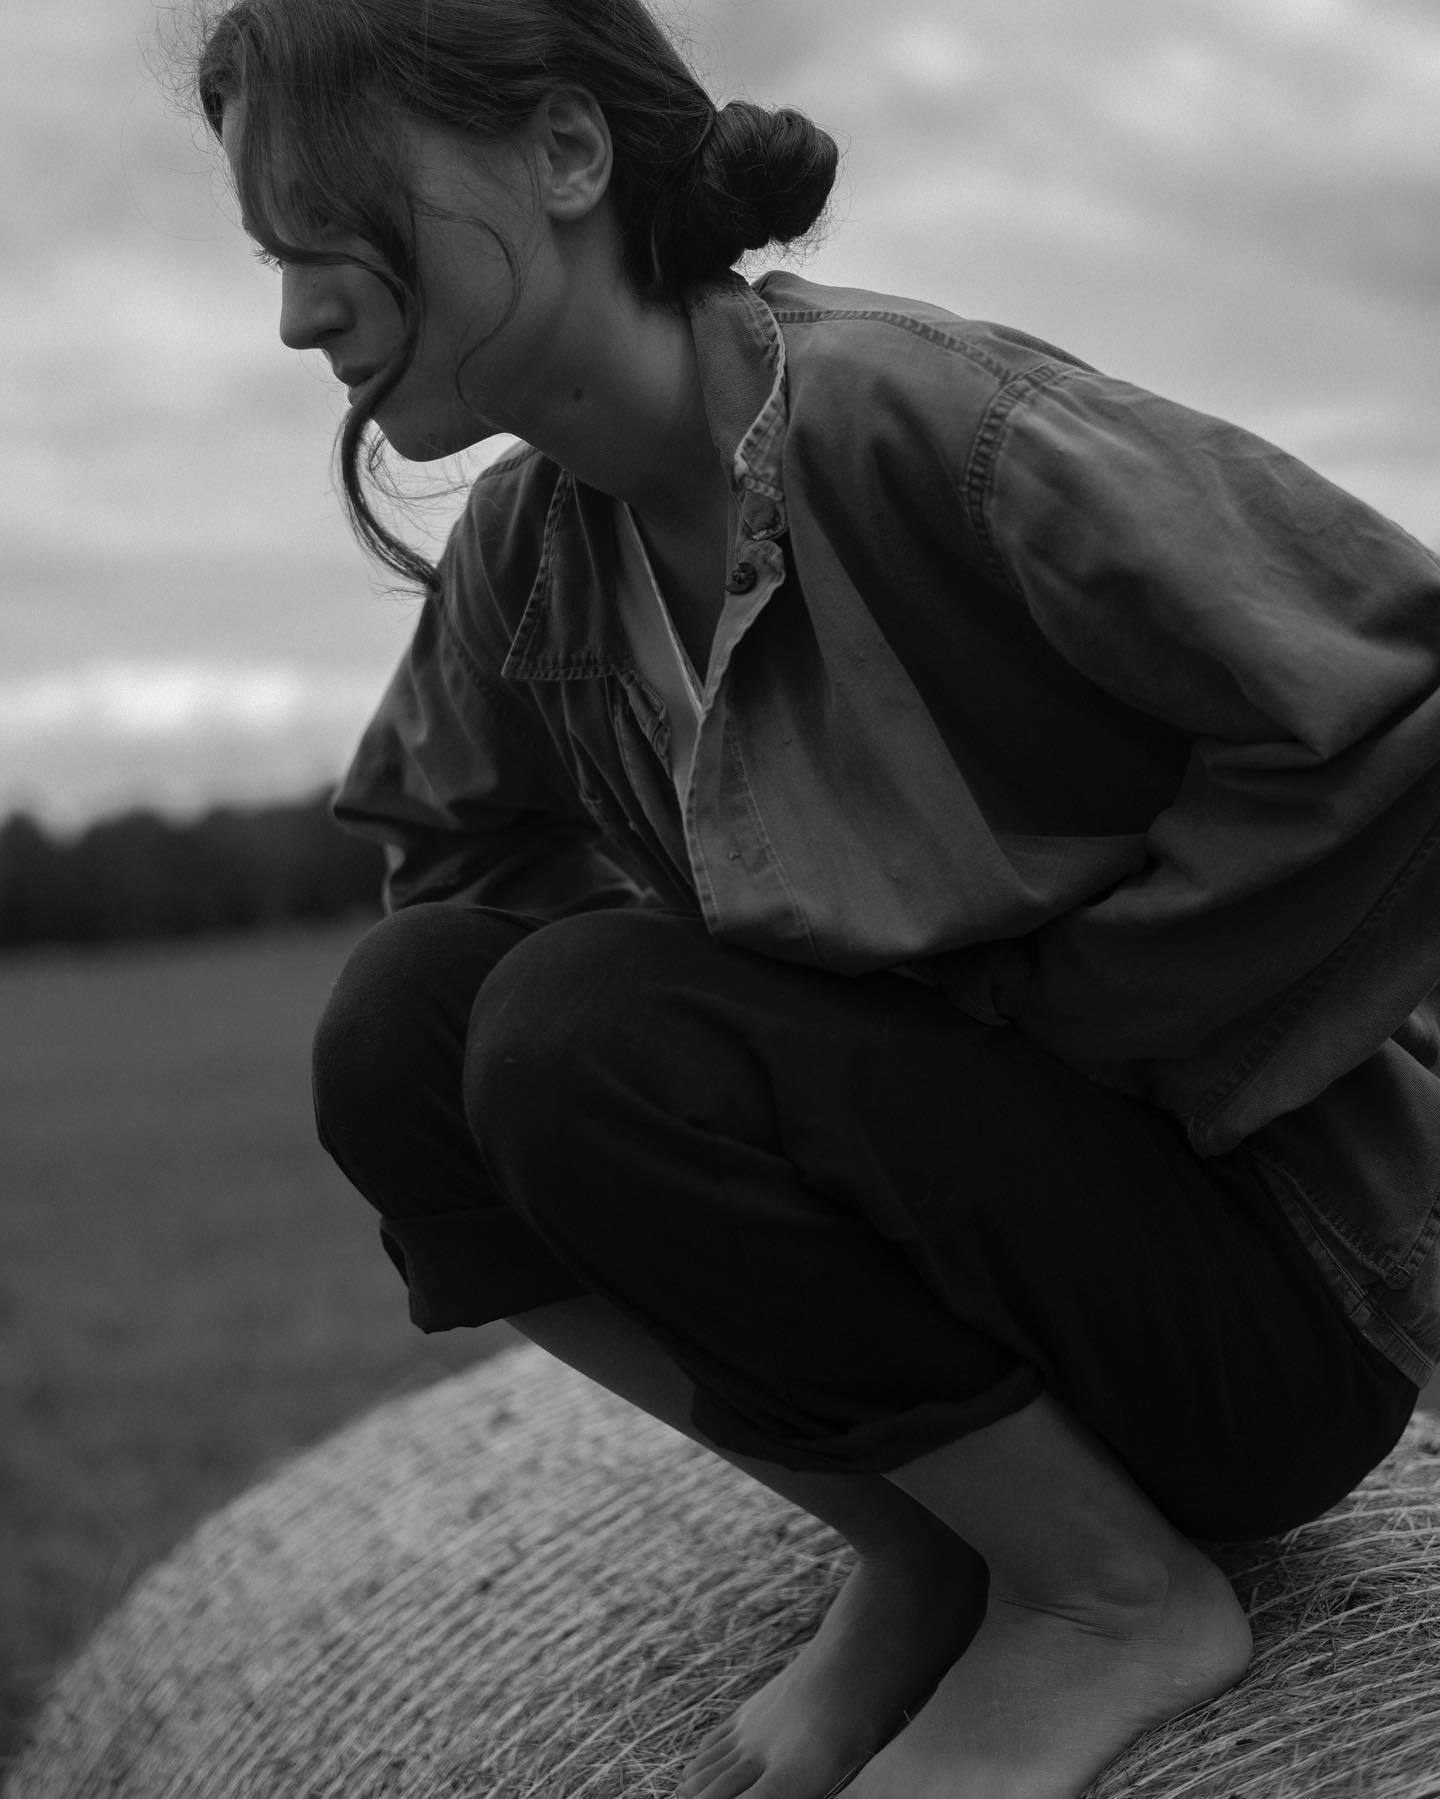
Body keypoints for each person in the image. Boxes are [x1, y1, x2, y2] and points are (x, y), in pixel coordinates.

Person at [194, 1, 1440, 1794]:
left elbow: (1396, 707)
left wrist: (1075, 1009)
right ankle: (931, 1537)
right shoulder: (526, 556)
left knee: (575, 1026)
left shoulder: (930, 423)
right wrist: (743, 1051)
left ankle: (1109, 1598)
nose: (299, 314)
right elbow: (455, 875)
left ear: (565, 151)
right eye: (274, 254)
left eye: (332, 221)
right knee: (406, 1025)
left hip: (1257, 1310)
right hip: (976, 1278)